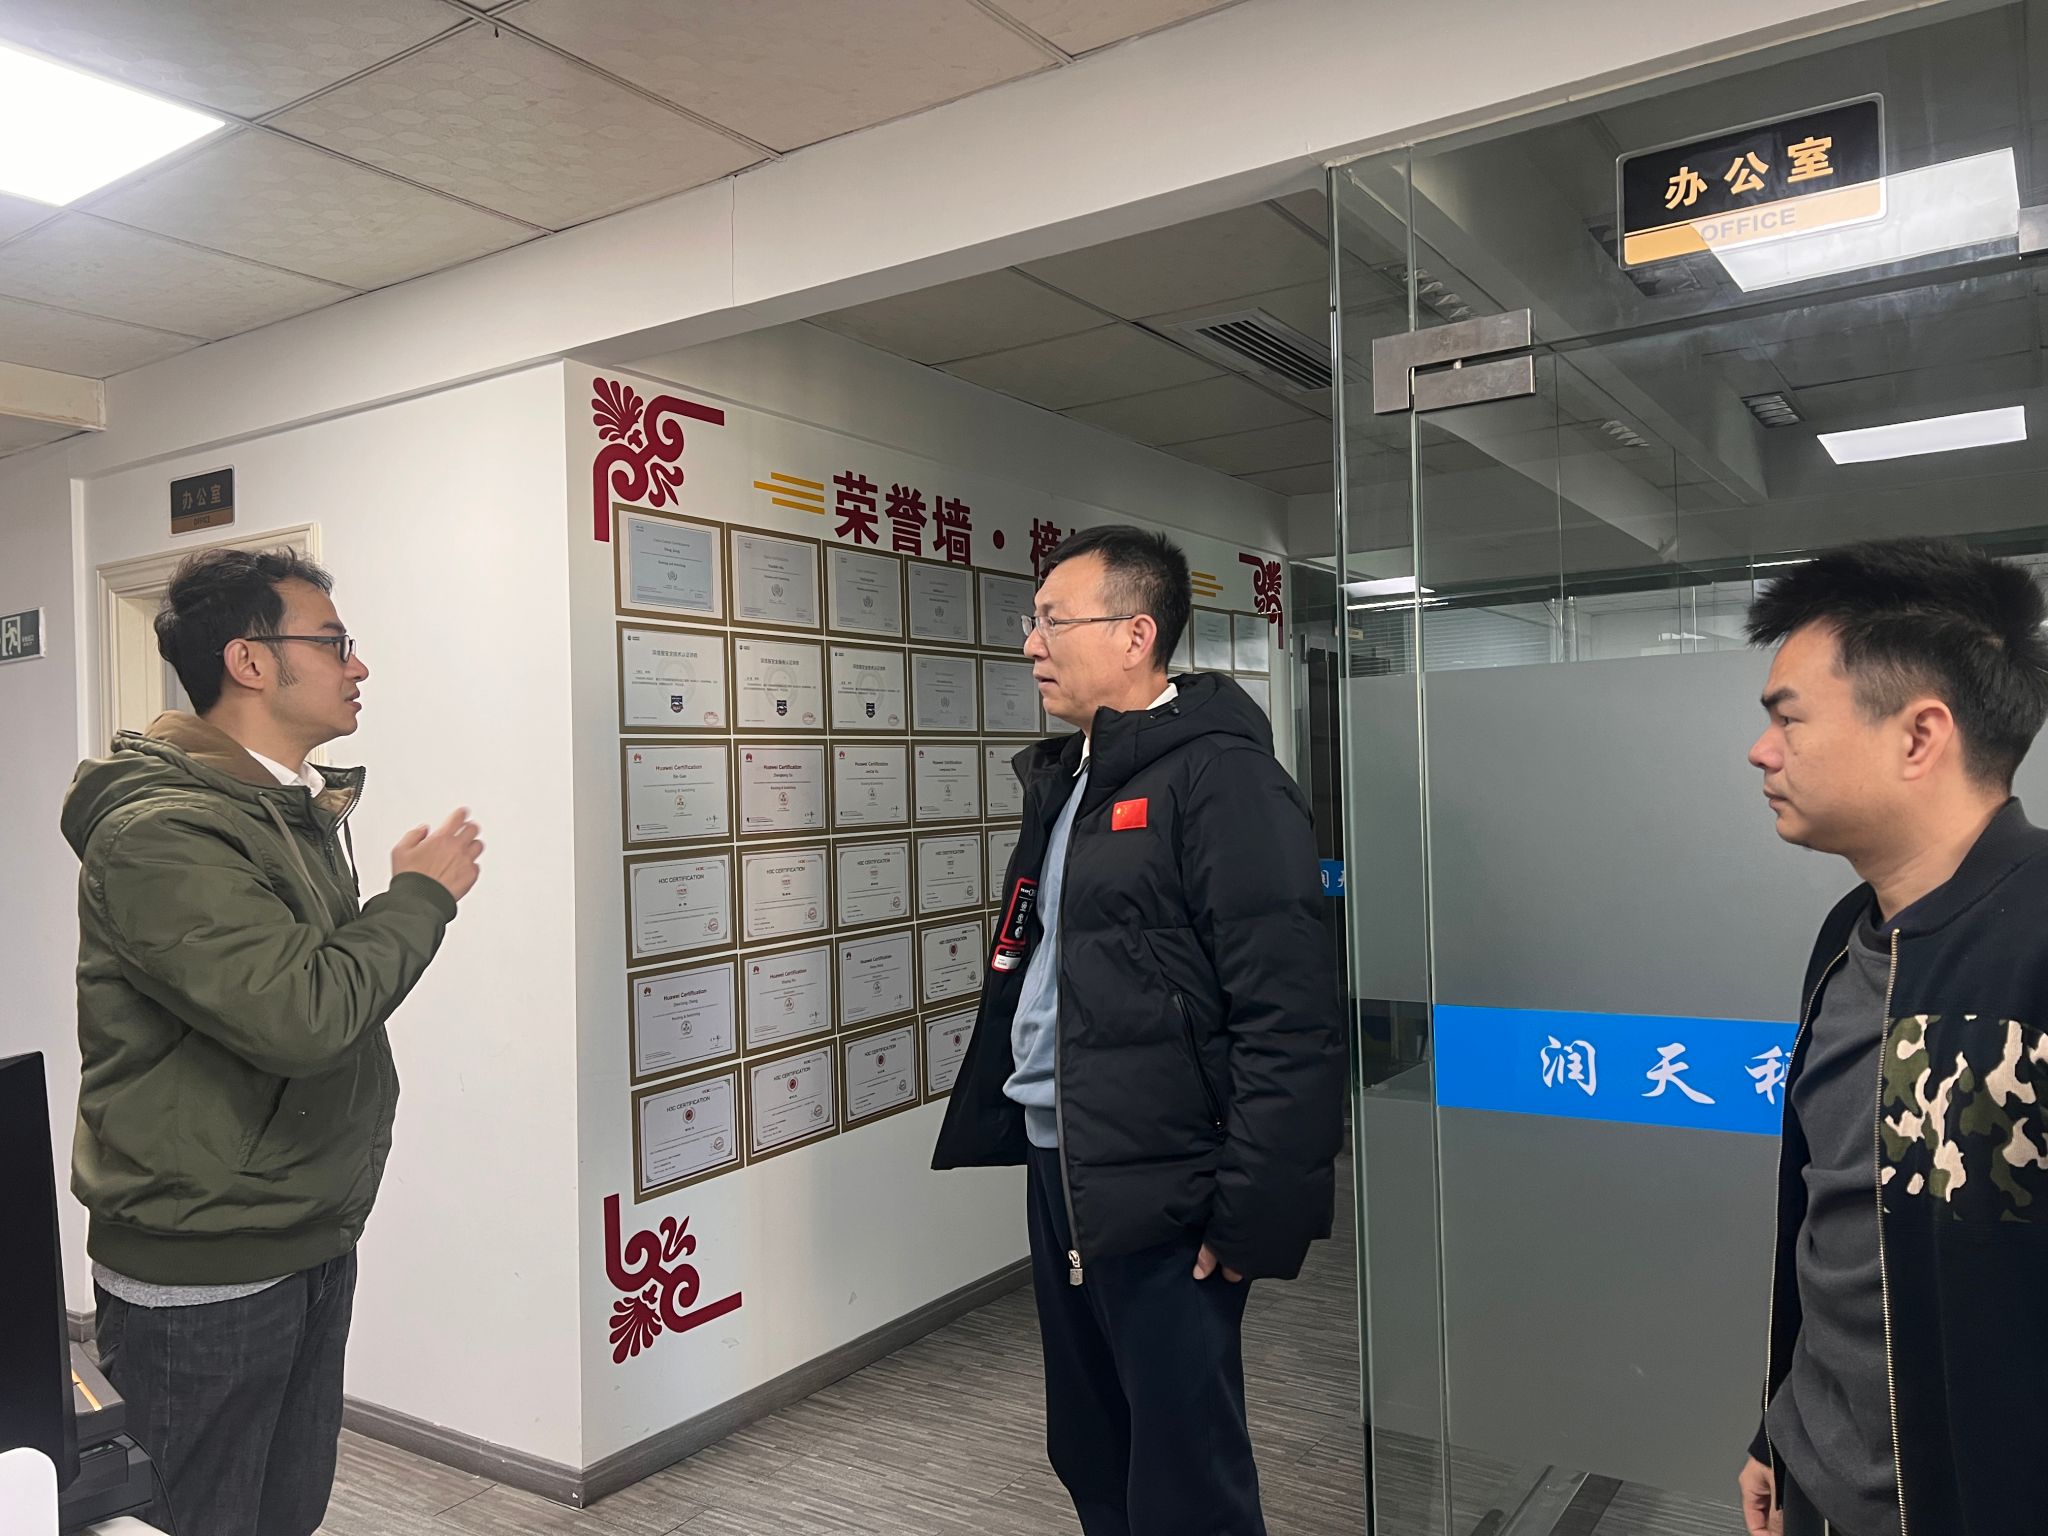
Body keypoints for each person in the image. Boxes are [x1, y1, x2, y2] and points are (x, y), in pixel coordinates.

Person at [933, 525, 1343, 1536]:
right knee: (1090, 1442)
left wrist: (1254, 1209)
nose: (1030, 643)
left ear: (1135, 633)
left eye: (1052, 621)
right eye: (1031, 621)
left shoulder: (1221, 780)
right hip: (1064, 1159)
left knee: (1182, 1467)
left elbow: (1289, 1014)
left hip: (1167, 1180)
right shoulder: (1073, 779)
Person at [64, 548, 483, 1536]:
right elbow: (302, 1015)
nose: (358, 666)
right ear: (250, 662)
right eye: (333, 643)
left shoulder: (282, 808)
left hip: (302, 1230)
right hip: (202, 1265)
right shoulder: (160, 833)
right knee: (194, 1518)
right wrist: (419, 899)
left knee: (284, 1510)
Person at [1737, 538, 2048, 1536]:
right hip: (1817, 1478)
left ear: (1919, 736)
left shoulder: (2032, 948)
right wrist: (1776, 1431)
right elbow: (1835, 1230)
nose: (1761, 751)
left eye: (1788, 717)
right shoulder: (1850, 934)